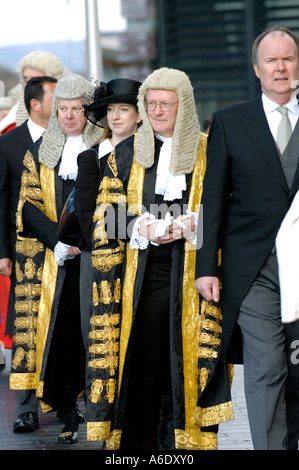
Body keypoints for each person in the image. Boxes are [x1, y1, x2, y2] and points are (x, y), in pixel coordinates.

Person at [85, 67, 233, 450]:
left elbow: (232, 206)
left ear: (182, 105)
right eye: (150, 103)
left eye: (165, 103)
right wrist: (140, 226)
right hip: (142, 272)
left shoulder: (209, 148)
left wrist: (196, 223)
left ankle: (186, 445)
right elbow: (101, 215)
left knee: (184, 362)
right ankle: (140, 445)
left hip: (193, 273)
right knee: (144, 360)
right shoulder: (125, 152)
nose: (157, 111)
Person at [195, 26, 299, 450]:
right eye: (271, 60)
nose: (280, 67)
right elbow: (212, 200)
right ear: (256, 68)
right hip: (254, 269)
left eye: (288, 58)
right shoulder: (229, 121)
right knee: (268, 366)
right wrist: (206, 268)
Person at [9, 74, 102, 444]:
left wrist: (83, 241)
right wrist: (56, 242)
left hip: (94, 257)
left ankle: (91, 407)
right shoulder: (38, 152)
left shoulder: (103, 149)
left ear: (87, 112)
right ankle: (64, 410)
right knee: (57, 335)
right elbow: (27, 205)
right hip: (53, 261)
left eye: (75, 109)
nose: (67, 116)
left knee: (88, 333)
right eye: (61, 109)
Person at [0, 76, 57, 433]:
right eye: (55, 96)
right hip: (23, 254)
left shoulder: (69, 140)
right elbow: (2, 202)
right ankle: (26, 408)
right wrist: (2, 252)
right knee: (26, 330)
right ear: (35, 103)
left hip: (64, 250)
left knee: (62, 325)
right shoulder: (8, 144)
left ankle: (66, 405)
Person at [73, 78, 142, 349]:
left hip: (142, 254)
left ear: (139, 117)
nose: (115, 115)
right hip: (97, 254)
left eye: (124, 109)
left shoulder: (151, 156)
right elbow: (84, 212)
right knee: (97, 333)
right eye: (111, 109)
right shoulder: (91, 157)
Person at [0, 51, 66, 135]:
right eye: (25, 78)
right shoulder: (11, 123)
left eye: (35, 79)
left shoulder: (70, 117)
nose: (28, 84)